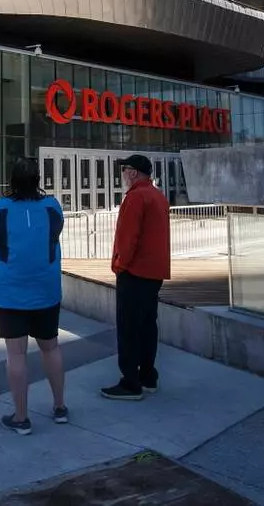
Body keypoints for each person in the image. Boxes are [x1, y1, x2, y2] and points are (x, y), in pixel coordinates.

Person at [0, 157, 67, 435]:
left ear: (11, 180)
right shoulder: (52, 206)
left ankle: (21, 418)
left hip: (10, 293)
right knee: (51, 347)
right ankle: (60, 408)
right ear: (38, 180)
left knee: (16, 354)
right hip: (46, 290)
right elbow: (55, 235)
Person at [102, 154, 171, 401]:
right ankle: (148, 375)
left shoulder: (135, 197)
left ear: (132, 172)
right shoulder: (158, 196)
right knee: (147, 325)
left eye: (124, 171)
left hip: (135, 272)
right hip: (154, 272)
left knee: (129, 328)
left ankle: (130, 382)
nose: (122, 176)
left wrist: (120, 264)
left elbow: (127, 237)